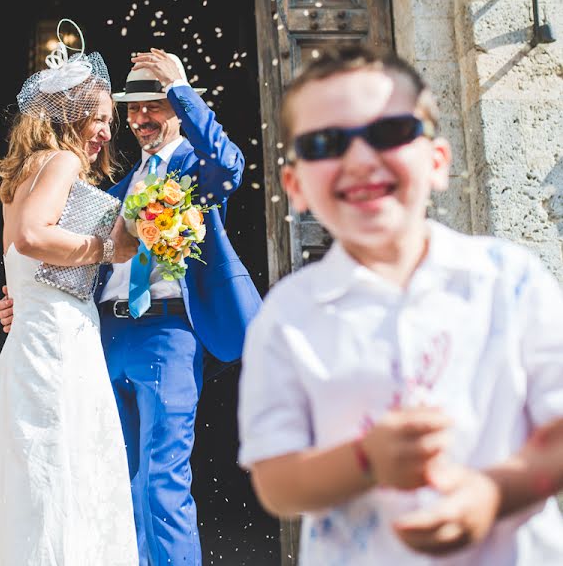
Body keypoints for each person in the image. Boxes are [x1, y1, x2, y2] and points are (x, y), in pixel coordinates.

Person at [237, 45, 563, 565]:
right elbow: (277, 483)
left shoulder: (510, 281)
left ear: (437, 161)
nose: (361, 159)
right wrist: (365, 459)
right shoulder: (285, 317)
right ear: (295, 187)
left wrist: (494, 492)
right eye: (326, 142)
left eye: (389, 132)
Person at [0, 47, 262, 565]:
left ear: (177, 109)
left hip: (167, 334)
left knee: (161, 480)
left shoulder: (196, 167)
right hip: (100, 338)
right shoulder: (111, 188)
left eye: (154, 106)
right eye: (132, 109)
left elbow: (230, 164)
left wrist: (181, 89)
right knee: (110, 482)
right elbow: (56, 256)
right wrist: (23, 303)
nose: (140, 119)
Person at [0, 21, 139, 565]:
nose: (105, 133)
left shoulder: (21, 174)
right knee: (68, 462)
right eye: (99, 119)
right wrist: (106, 249)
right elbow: (34, 237)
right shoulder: (64, 162)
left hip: (30, 337)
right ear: (70, 117)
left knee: (34, 470)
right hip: (58, 340)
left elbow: (14, 261)